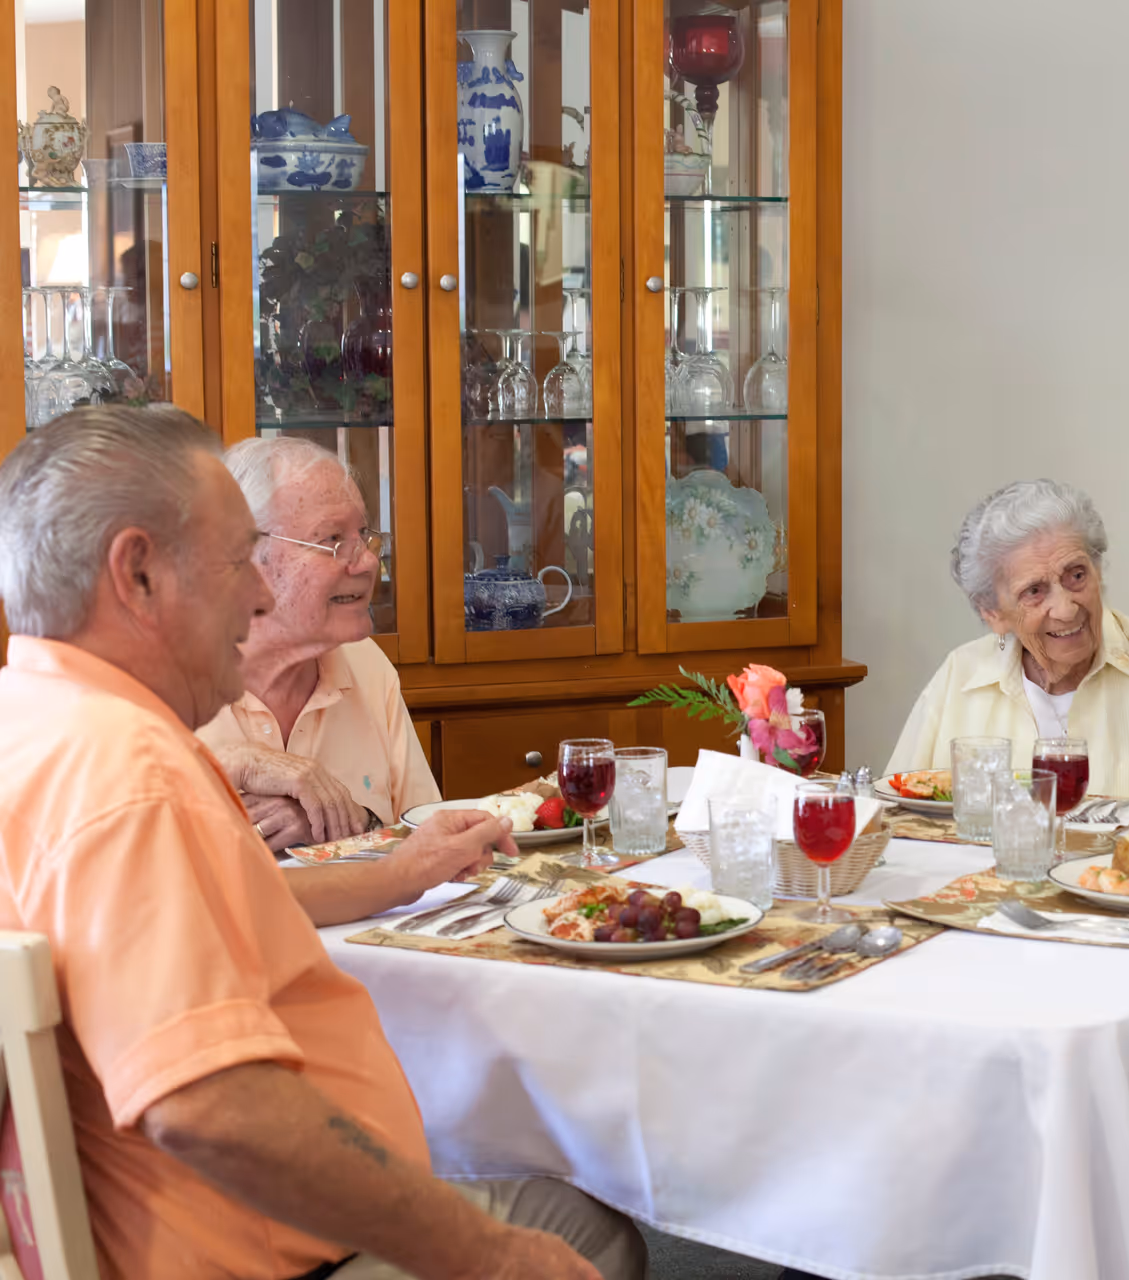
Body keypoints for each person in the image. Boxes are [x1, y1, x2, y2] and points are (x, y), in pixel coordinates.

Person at [0, 406, 647, 1279]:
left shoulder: (36, 721)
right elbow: (209, 1110)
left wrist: (403, 868)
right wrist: (488, 1257)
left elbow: (218, 913)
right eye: (238, 562)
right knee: (584, 1234)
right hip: (273, 1254)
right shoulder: (132, 776)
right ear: (139, 574)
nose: (260, 595)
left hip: (186, 1234)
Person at [888, 479, 1129, 810]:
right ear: (993, 613)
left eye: (1076, 575)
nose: (1064, 608)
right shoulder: (960, 674)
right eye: (1034, 592)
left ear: (1097, 568)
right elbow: (893, 810)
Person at [197, 436, 440, 852]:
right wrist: (234, 765)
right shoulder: (162, 679)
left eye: (363, 535)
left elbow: (427, 841)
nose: (366, 561)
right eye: (331, 539)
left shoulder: (365, 664)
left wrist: (340, 825)